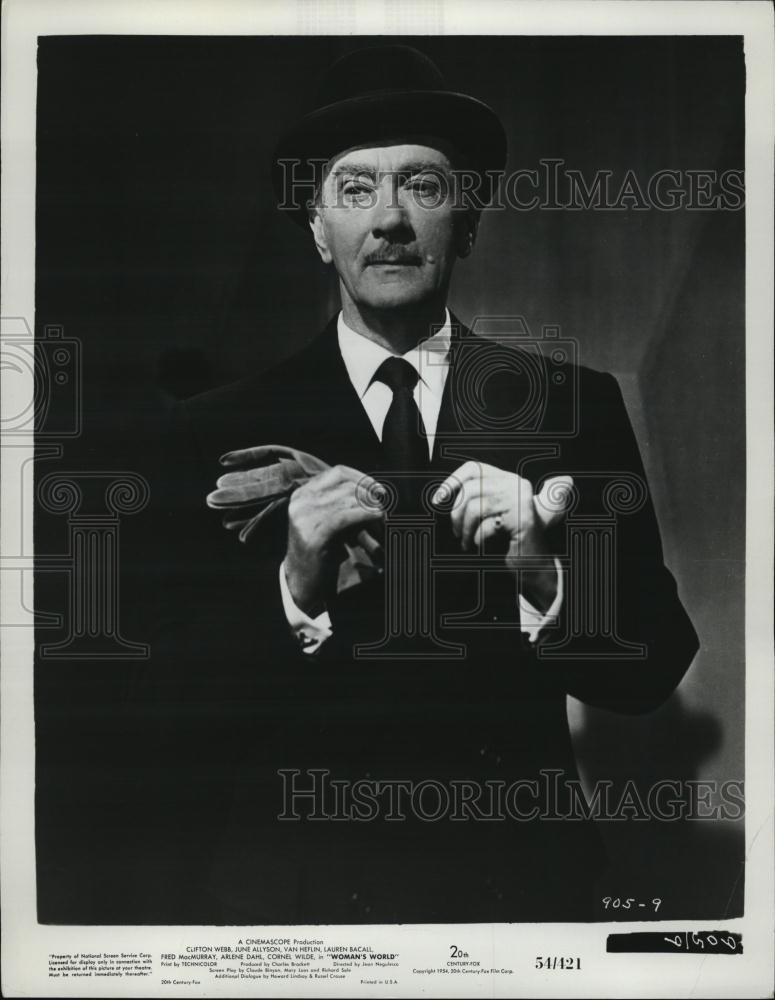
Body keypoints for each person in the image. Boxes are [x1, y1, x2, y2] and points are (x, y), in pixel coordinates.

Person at [147, 44, 699, 924]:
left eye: (424, 187)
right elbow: (156, 715)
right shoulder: (212, 428)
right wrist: (294, 589)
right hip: (302, 905)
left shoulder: (570, 407)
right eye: (355, 190)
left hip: (516, 893)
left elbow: (654, 666)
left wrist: (546, 576)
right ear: (316, 228)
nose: (391, 219)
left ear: (468, 221)